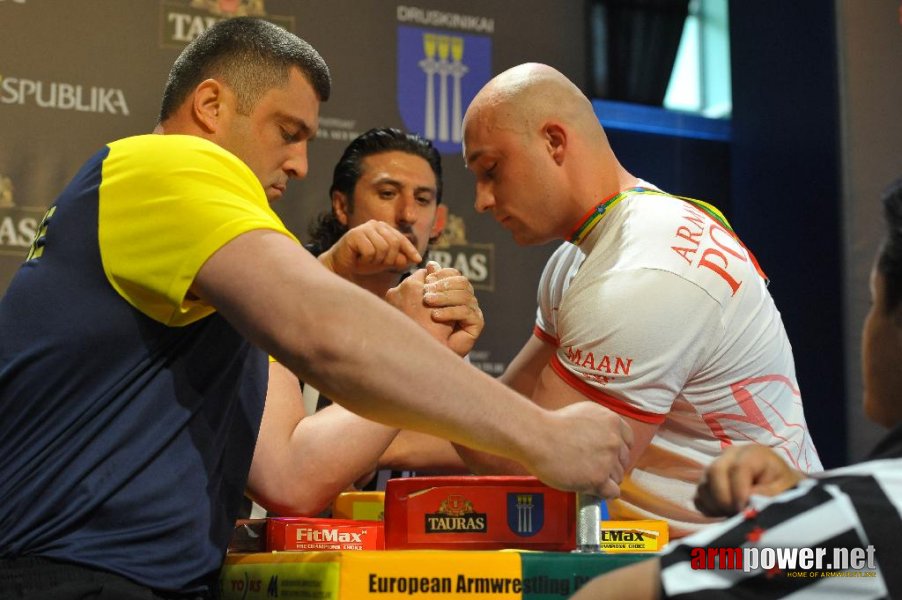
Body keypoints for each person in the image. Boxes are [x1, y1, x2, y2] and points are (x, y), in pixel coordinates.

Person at [0, 22, 632, 599]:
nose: (301, 162)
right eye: (288, 132)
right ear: (212, 106)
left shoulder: (193, 269)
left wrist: (361, 297)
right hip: (73, 575)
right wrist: (541, 434)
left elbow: (289, 474)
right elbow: (325, 333)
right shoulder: (165, 166)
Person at [458, 62, 821, 538]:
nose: (481, 200)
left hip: (766, 557)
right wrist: (376, 425)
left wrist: (425, 357)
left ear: (554, 141)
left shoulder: (641, 270)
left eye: (491, 170)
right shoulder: (582, 256)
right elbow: (511, 412)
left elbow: (534, 464)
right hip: (709, 552)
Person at [571, 177, 902, 599]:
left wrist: (805, 515)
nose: (484, 201)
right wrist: (803, 499)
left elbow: (611, 594)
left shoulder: (846, 528)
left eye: (875, 301)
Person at [250, 128, 471, 516]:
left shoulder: (429, 308)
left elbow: (477, 437)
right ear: (341, 205)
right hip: (262, 548)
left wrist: (379, 448)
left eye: (422, 200)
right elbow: (281, 450)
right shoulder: (280, 280)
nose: (406, 215)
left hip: (381, 554)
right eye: (387, 194)